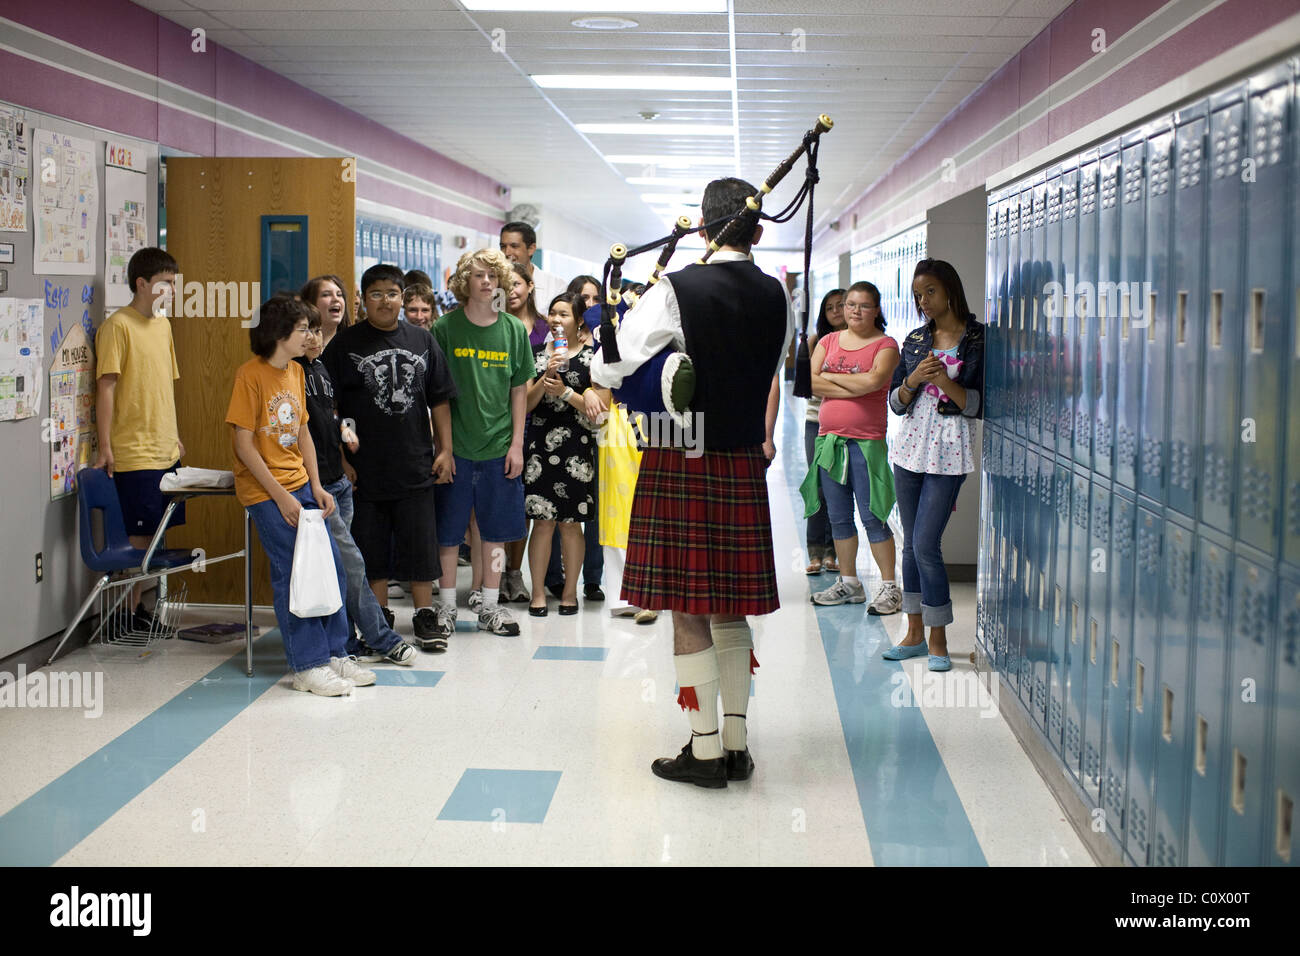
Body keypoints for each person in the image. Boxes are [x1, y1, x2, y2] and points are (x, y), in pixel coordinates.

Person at [591, 177, 793, 789]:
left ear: (703, 230)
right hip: (739, 460)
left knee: (687, 611)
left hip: (681, 455)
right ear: (758, 231)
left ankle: (703, 752)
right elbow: (768, 370)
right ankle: (736, 744)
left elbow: (610, 362)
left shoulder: (676, 288)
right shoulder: (778, 297)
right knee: (732, 610)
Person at [226, 293, 370, 696]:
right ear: (280, 333)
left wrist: (317, 486)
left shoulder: (294, 372)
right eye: (304, 328)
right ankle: (307, 665)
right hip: (264, 491)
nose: (311, 334)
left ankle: (336, 652)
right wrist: (281, 497)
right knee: (296, 572)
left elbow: (303, 430)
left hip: (300, 484)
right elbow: (244, 445)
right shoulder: (249, 376)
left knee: (331, 567)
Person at [322, 264, 458, 652]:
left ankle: (424, 616)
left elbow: (440, 400)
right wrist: (344, 453)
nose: (386, 301)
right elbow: (330, 408)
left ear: (403, 297)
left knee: (420, 545)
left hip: (416, 462)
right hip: (364, 469)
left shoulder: (422, 340)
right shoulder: (344, 344)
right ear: (363, 300)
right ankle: (378, 617)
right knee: (371, 548)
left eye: (392, 293)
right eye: (376, 294)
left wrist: (445, 449)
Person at [295, 299, 417, 666]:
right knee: (352, 565)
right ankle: (382, 638)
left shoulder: (321, 369)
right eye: (307, 331)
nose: (314, 338)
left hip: (337, 483)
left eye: (318, 331)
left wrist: (346, 434)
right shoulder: (290, 374)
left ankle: (346, 642)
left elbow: (332, 416)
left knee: (342, 568)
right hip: (315, 488)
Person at [884, 258, 984, 671]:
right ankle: (913, 634)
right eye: (918, 293)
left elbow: (978, 405)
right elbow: (894, 402)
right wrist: (912, 381)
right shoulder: (914, 340)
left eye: (930, 292)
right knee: (910, 541)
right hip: (908, 449)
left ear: (950, 290)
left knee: (926, 544)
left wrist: (944, 382)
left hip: (949, 452)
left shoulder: (977, 339)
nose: (923, 301)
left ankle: (938, 638)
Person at [430, 248, 534, 639]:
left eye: (493, 274)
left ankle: (489, 607)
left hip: (499, 448)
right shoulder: (444, 329)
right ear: (464, 282)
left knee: (493, 532)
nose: (486, 281)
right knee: (447, 533)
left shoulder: (512, 330)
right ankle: (444, 609)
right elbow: (436, 395)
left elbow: (519, 391)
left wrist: (517, 445)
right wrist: (443, 446)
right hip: (455, 450)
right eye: (478, 275)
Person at [93, 247, 186, 630]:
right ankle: (125, 616)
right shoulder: (118, 326)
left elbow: (165, 386)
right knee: (137, 539)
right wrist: (105, 445)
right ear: (142, 284)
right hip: (134, 452)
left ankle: (141, 610)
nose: (172, 291)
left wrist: (177, 437)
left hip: (165, 449)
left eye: (175, 285)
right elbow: (106, 387)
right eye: (165, 284)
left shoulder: (163, 326)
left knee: (156, 539)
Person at [805, 281, 901, 613]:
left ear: (876, 310)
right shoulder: (829, 340)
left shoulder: (886, 345)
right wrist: (855, 386)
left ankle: (890, 588)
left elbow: (875, 382)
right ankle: (849, 583)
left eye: (863, 305)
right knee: (838, 518)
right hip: (829, 441)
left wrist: (831, 380)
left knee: (874, 517)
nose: (855, 311)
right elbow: (809, 380)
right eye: (850, 305)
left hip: (866, 444)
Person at [524, 293, 601, 615]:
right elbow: (526, 404)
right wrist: (545, 379)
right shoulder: (536, 355)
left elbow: (600, 410)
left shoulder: (592, 358)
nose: (556, 320)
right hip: (540, 445)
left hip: (577, 447)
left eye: (564, 315)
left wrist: (567, 393)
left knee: (571, 524)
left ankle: (570, 593)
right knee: (542, 523)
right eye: (553, 314)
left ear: (578, 320)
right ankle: (538, 593)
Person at [803, 288, 845, 574]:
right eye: (830, 307)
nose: (836, 311)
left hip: (844, 423)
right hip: (816, 421)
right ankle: (815, 551)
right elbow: (810, 382)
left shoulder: (859, 342)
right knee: (816, 485)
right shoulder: (816, 341)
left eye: (841, 305)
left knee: (837, 486)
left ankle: (833, 552)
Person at [500, 220, 567, 316]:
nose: (507, 253)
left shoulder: (556, 286)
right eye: (503, 246)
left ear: (531, 249)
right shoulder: (494, 284)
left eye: (514, 246)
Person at [301, 274, 351, 344]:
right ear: (310, 303)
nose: (336, 299)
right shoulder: (297, 349)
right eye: (326, 294)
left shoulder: (354, 343)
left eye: (339, 294)